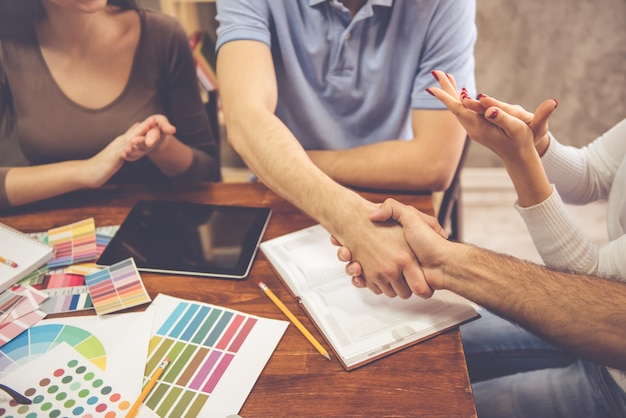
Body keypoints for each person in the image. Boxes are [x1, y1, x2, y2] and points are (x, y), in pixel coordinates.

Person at [338, 69, 626, 416]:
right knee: (401, 347)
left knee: (426, 404)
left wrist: (520, 162)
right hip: (586, 322)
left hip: (613, 371)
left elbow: (589, 286)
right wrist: (538, 147)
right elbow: (593, 173)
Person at [214, 0, 476, 298]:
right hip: (283, 197)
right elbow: (244, 118)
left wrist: (282, 159)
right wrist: (351, 220)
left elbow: (433, 163)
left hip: (387, 196)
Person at [0, 0, 221, 209]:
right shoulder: (7, 47)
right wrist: (86, 171)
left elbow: (205, 176)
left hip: (154, 229)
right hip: (54, 234)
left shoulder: (162, 34)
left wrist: (161, 146)